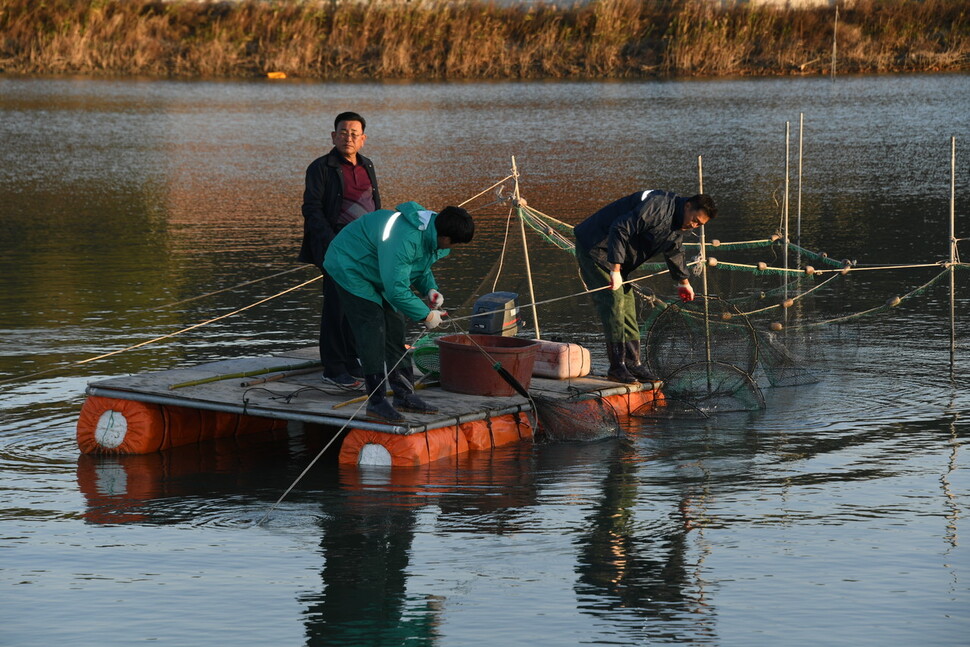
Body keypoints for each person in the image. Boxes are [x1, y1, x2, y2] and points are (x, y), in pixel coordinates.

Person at [324, 202, 475, 422]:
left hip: (379, 269)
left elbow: (419, 266)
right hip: (350, 266)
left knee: (395, 328)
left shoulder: (432, 231)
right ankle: (376, 403)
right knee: (373, 329)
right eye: (455, 243)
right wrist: (426, 315)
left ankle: (404, 395)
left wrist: (429, 289)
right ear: (445, 237)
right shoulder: (407, 238)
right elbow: (396, 290)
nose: (454, 248)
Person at [574, 190, 718, 384]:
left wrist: (684, 283)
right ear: (688, 206)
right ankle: (617, 367)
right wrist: (615, 270)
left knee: (628, 307)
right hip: (595, 248)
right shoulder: (658, 206)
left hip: (616, 259)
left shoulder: (678, 224)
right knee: (614, 304)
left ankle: (633, 364)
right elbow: (619, 227)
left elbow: (674, 250)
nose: (694, 225)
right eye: (695, 220)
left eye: (699, 225)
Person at [298, 111, 380, 388]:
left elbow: (375, 205)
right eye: (343, 132)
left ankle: (351, 358)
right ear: (333, 136)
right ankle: (333, 368)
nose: (348, 138)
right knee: (336, 305)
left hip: (365, 248)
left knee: (358, 303)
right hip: (335, 247)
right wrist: (333, 242)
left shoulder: (367, 165)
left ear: (363, 139)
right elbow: (311, 209)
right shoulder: (321, 167)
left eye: (354, 134)